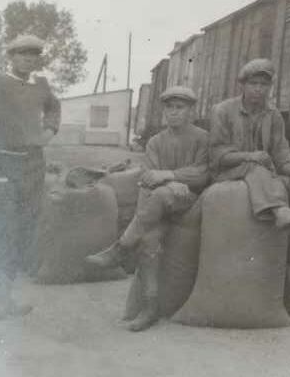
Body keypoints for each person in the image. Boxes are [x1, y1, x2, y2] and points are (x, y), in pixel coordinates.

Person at [86, 85, 210, 331]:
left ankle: (120, 248)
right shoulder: (155, 142)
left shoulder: (201, 138)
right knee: (149, 238)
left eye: (180, 108)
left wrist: (170, 176)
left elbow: (203, 174)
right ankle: (150, 307)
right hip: (160, 205)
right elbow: (147, 177)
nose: (174, 113)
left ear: (190, 111)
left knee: (162, 193)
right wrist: (172, 180)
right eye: (169, 108)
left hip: (189, 203)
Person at [0, 34, 61, 321]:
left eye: (34, 55)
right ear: (12, 57)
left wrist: (49, 131)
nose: (29, 59)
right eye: (22, 55)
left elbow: (53, 107)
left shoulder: (40, 85)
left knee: (23, 233)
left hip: (33, 165)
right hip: (1, 163)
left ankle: (5, 298)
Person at [208, 58, 290, 316]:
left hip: (262, 175)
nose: (259, 89)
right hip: (229, 171)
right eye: (253, 83)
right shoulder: (222, 110)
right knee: (258, 167)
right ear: (242, 85)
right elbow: (217, 155)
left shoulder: (274, 115)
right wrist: (250, 156)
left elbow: (280, 150)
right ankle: (279, 211)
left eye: (264, 85)